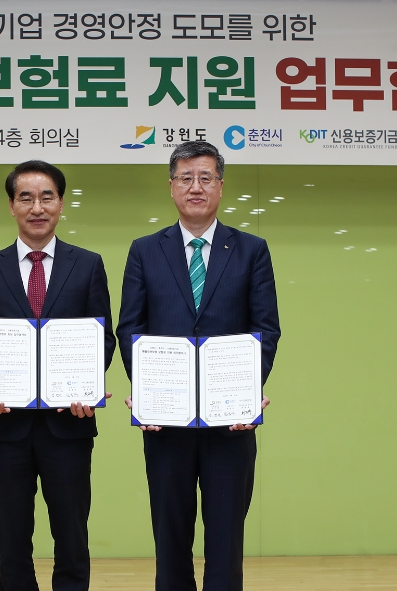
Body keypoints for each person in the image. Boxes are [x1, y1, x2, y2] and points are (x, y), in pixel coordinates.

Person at [117, 141, 280, 591]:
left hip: (230, 422)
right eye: (185, 178)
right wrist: (146, 391)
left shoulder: (251, 250)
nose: (195, 187)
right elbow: (130, 328)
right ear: (171, 187)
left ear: (220, 187)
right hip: (165, 423)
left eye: (205, 178)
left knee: (226, 537)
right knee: (170, 536)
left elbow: (266, 329)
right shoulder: (145, 250)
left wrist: (248, 389)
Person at [0, 160, 116, 591]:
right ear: (11, 206)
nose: (37, 207)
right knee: (12, 538)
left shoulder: (88, 265)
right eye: (25, 198)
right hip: (5, 424)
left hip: (69, 423)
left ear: (61, 204)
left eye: (47, 197)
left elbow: (102, 337)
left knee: (72, 534)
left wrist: (86, 385)